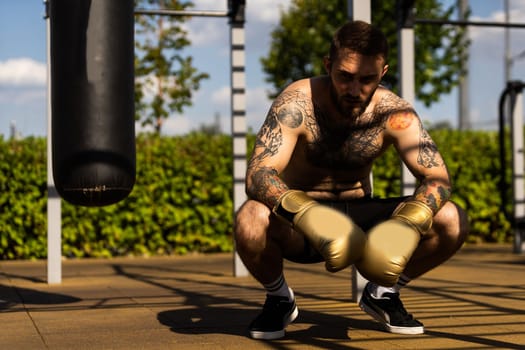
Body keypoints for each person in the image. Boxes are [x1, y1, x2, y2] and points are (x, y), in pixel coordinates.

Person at [234, 20, 468, 340]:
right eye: (345, 76)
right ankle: (279, 299)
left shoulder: (394, 112)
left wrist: (410, 221)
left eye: (367, 79)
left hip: (360, 214)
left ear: (382, 73)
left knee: (451, 219)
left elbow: (437, 176)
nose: (355, 90)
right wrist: (305, 212)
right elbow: (259, 172)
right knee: (249, 218)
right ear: (328, 66)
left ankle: (383, 293)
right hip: (302, 223)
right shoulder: (297, 103)